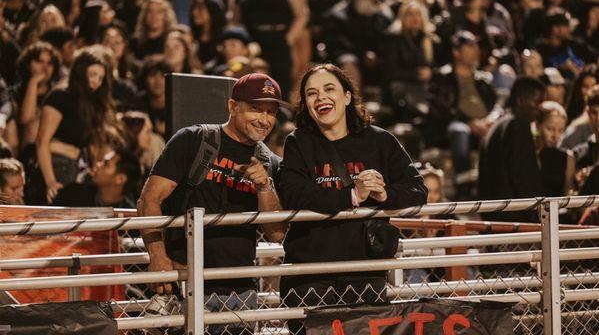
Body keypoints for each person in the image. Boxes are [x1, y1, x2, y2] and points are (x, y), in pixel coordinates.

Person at [279, 64, 427, 335]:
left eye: (329, 89)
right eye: (311, 93)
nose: (320, 97)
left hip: (364, 274)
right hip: (310, 277)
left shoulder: (380, 141)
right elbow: (293, 194)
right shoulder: (297, 142)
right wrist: (352, 195)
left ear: (347, 97)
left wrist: (384, 194)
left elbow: (418, 191)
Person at [138, 73, 287, 335]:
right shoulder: (192, 140)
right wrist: (158, 257)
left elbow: (276, 232)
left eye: (271, 112)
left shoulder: (270, 162)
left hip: (241, 291)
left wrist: (264, 186)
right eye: (255, 108)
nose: (264, 120)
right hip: (185, 284)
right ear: (232, 107)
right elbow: (149, 200)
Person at [35, 45, 114, 204]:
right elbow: (42, 141)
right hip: (56, 164)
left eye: (100, 78)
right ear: (81, 72)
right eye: (92, 75)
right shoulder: (60, 97)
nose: (96, 82)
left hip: (76, 166)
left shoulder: (91, 105)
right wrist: (50, 181)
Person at [234, 0, 309, 97]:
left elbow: (302, 14)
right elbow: (237, 20)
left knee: (280, 87)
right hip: (255, 43)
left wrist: (288, 39)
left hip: (280, 40)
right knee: (254, 87)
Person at [429, 31, 498, 177]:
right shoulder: (443, 76)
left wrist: (491, 118)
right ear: (456, 52)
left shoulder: (484, 79)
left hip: (484, 124)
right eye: (470, 46)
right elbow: (441, 108)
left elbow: (497, 105)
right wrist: (469, 122)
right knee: (459, 130)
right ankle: (463, 181)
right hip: (456, 124)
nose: (476, 50)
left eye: (476, 46)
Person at [478, 76, 546, 223]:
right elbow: (523, 177)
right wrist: (536, 216)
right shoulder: (519, 125)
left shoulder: (498, 125)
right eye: (537, 101)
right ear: (521, 101)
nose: (540, 107)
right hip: (515, 221)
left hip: (494, 218)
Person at [54, 146, 141, 209]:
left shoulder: (129, 217)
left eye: (106, 164)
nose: (98, 165)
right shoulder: (72, 194)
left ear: (120, 179)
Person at [535, 101, 575, 197]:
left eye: (560, 130)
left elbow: (567, 197)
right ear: (538, 125)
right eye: (550, 129)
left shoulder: (567, 157)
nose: (555, 136)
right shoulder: (527, 154)